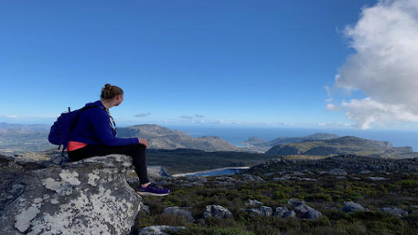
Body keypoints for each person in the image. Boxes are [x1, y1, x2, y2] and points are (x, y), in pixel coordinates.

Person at [67, 83, 170, 197]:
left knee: (134, 145)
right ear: (118, 97)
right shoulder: (98, 112)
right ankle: (145, 185)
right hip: (80, 150)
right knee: (138, 147)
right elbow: (108, 141)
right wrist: (137, 140)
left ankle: (145, 185)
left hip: (80, 147)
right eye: (122, 97)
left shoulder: (94, 108)